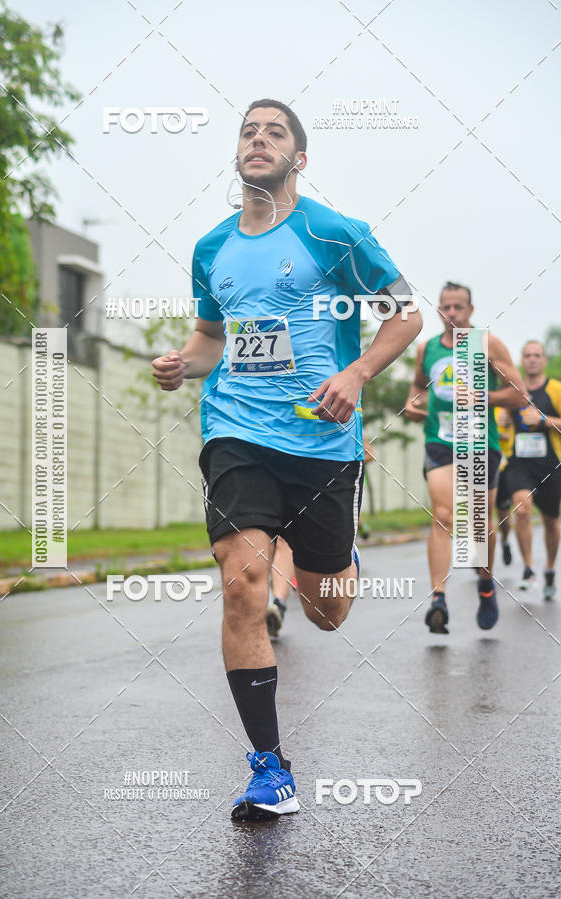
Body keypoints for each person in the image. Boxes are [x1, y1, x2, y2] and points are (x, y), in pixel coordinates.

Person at [152, 98, 422, 821]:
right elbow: (212, 338)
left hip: (322, 441)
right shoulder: (212, 247)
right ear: (237, 153)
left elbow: (406, 312)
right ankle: (269, 768)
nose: (259, 140)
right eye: (248, 131)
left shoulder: (335, 232)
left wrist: (358, 373)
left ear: (298, 158)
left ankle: (336, 561)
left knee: (327, 611)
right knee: (242, 582)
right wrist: (186, 363)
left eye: (275, 133)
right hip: (236, 433)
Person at [404, 282, 525, 634]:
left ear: (471, 310)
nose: (452, 313)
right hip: (440, 440)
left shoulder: (485, 344)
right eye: (446, 307)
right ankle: (438, 599)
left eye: (458, 307)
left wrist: (483, 396)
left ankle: (486, 585)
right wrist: (413, 404)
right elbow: (416, 385)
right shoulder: (426, 348)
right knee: (442, 515)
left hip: (478, 442)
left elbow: (518, 394)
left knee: (476, 523)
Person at [265, 437, 377, 639]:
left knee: (328, 615)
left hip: (327, 469)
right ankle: (278, 603)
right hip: (280, 460)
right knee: (283, 540)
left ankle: (349, 552)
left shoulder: (352, 425)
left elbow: (370, 454)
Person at [504, 340, 561, 598]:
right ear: (522, 359)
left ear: (544, 360)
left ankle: (549, 569)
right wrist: (503, 416)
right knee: (521, 508)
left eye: (537, 355)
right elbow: (499, 416)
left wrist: (544, 420)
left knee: (551, 521)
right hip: (520, 464)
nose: (532, 359)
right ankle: (528, 568)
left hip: (551, 463)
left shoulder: (556, 389)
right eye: (527, 355)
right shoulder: (514, 390)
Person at [494, 406, 515, 565]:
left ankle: (505, 541)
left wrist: (509, 422)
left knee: (503, 515)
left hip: (503, 465)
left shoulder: (510, 408)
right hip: (480, 463)